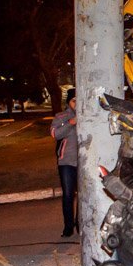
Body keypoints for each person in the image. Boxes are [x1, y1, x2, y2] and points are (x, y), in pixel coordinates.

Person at [51, 88, 78, 237]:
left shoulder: (88, 115)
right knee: (68, 194)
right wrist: (72, 122)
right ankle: (68, 226)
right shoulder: (61, 116)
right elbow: (55, 134)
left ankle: (80, 223)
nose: (77, 104)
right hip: (66, 162)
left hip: (84, 162)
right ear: (69, 102)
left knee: (84, 195)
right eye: (74, 100)